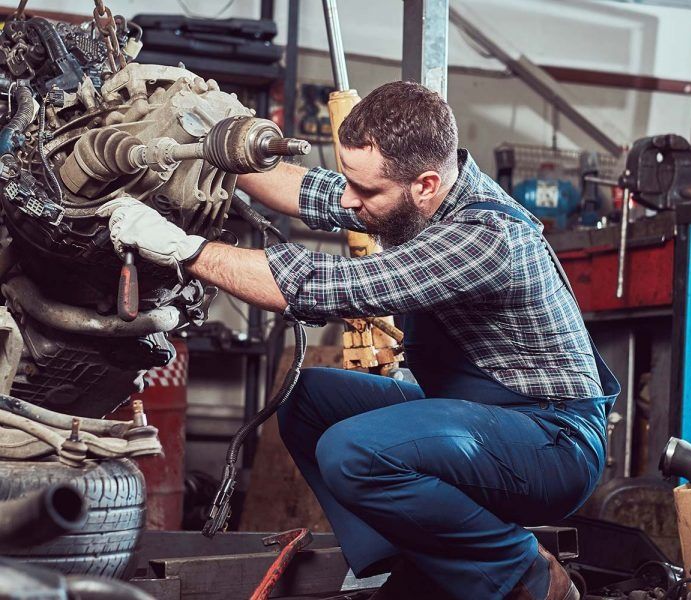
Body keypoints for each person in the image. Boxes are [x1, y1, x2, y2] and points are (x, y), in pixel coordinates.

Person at [98, 81, 619, 600]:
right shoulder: (414, 198)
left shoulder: (483, 236)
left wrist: (182, 249)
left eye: (366, 191)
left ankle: (527, 575)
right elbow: (306, 189)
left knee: (353, 452)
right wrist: (216, 148)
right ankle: (401, 559)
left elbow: (322, 286)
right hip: (481, 412)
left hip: (552, 442)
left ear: (425, 184)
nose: (350, 200)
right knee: (305, 399)